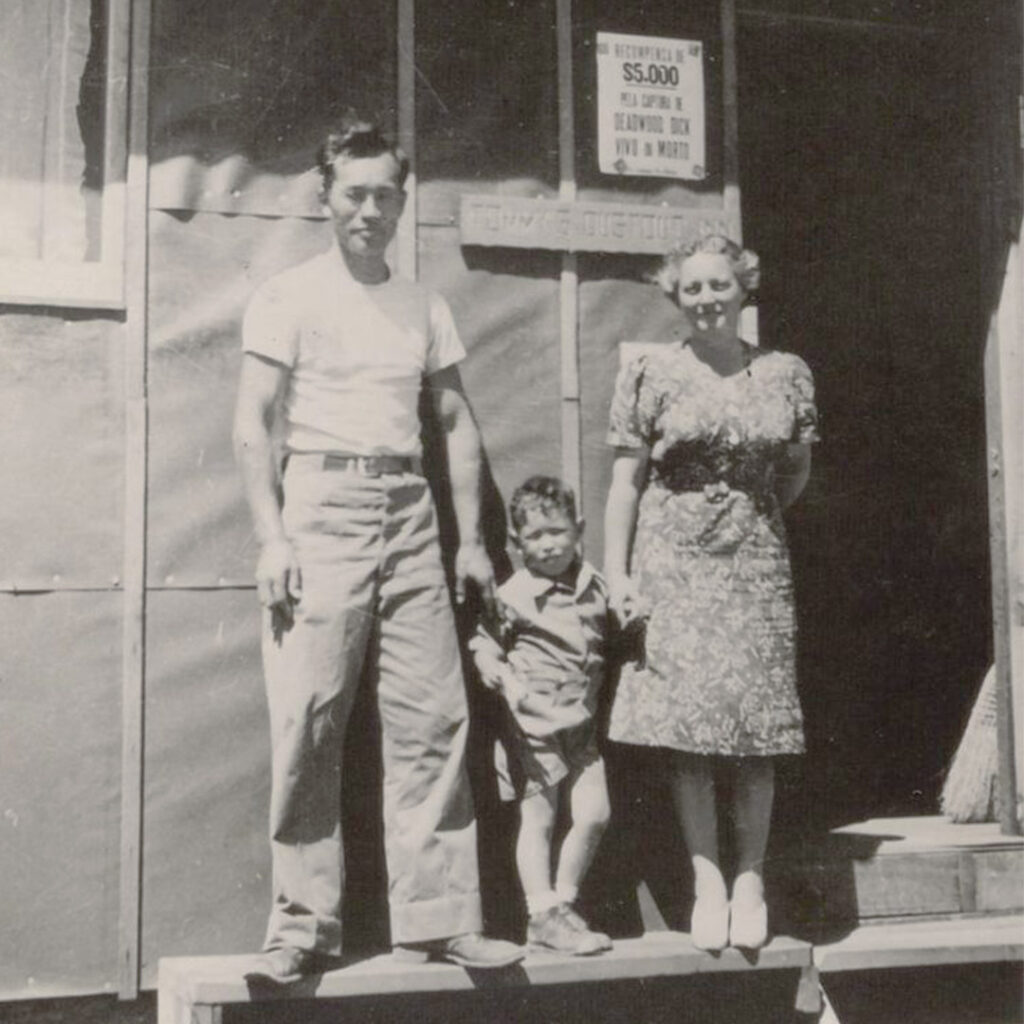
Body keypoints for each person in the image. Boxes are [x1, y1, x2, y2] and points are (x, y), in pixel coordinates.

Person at [232, 118, 523, 983]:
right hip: (318, 503)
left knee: (434, 716)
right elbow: (252, 423)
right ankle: (301, 928)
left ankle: (441, 920)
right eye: (354, 193)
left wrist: (472, 540)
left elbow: (455, 421)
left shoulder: (423, 304)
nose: (369, 209)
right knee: (311, 715)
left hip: (409, 510)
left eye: (385, 195)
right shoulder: (288, 296)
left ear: (403, 203)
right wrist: (271, 536)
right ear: (326, 198)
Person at [603, 234, 819, 951]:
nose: (706, 300)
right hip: (674, 564)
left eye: (718, 285)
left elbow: (794, 471)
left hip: (755, 563)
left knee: (756, 729)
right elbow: (624, 484)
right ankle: (708, 883)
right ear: (676, 296)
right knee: (689, 732)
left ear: (743, 287)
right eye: (691, 289)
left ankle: (750, 878)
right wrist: (622, 573)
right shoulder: (651, 372)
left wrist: (747, 520)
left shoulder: (786, 373)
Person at [470, 476, 613, 956]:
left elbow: (613, 620)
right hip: (532, 729)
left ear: (578, 529)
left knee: (595, 814)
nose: (548, 544)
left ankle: (563, 904)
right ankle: (541, 912)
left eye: (557, 531)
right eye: (535, 536)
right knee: (540, 821)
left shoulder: (595, 586)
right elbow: (483, 641)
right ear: (517, 542)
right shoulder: (513, 597)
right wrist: (490, 665)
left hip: (581, 727)